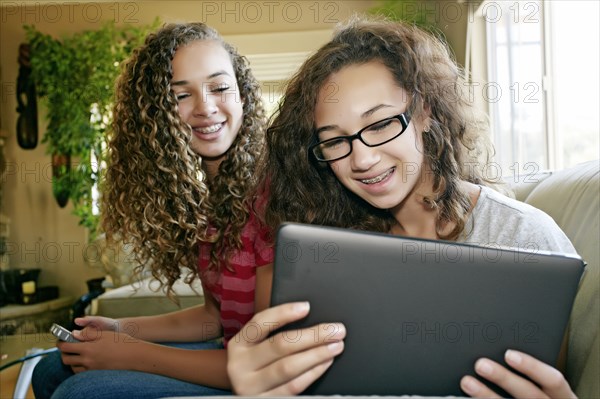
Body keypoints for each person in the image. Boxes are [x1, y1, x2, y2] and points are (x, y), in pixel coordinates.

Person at [226, 17, 579, 398]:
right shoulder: (327, 256)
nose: (360, 159)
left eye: (379, 124)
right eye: (335, 141)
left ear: (424, 112)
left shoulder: (522, 238)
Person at [32, 22, 273, 399]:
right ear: (156, 116)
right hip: (231, 355)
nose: (206, 106)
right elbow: (214, 318)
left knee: (81, 392)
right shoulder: (215, 201)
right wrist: (119, 328)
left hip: (261, 374)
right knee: (51, 368)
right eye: (181, 95)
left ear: (242, 94)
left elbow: (266, 362)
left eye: (220, 87)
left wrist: (129, 353)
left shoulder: (276, 196)